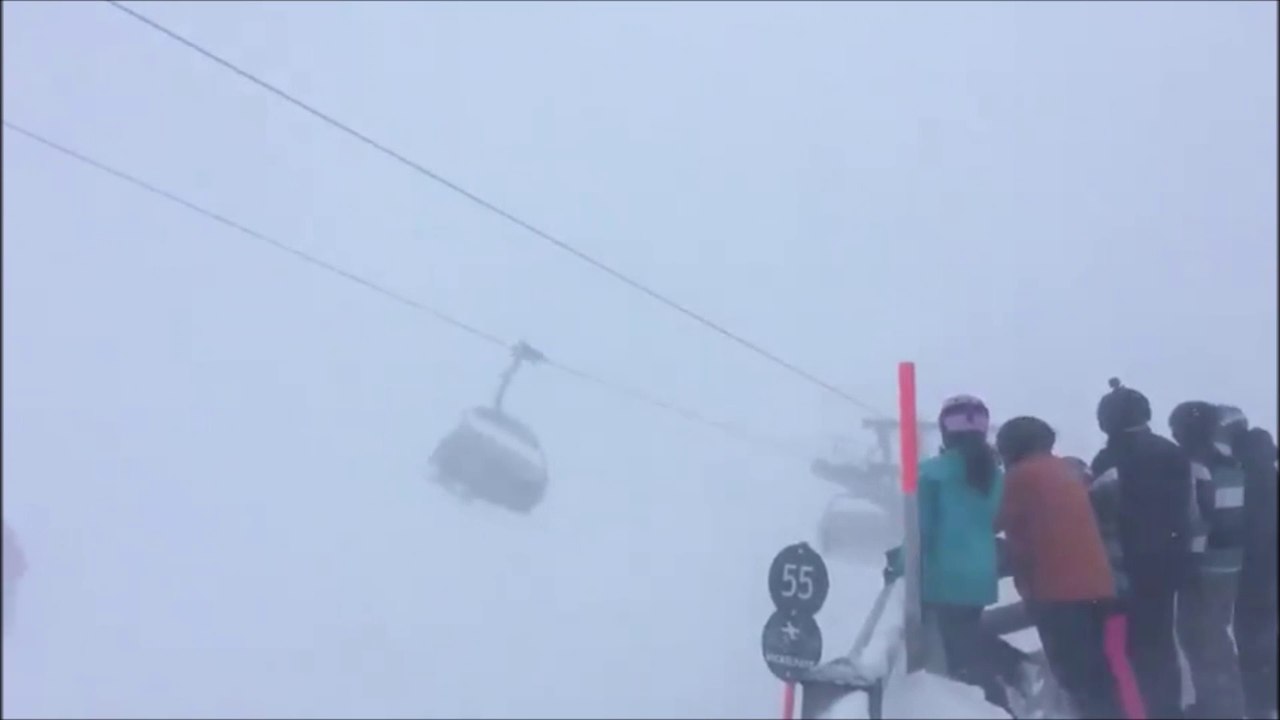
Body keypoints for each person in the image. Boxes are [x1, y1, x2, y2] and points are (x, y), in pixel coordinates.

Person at [995, 417, 1140, 719]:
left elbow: (988, 522)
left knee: (1078, 679)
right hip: (1099, 585)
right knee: (1099, 677)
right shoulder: (1066, 471)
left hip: (1058, 593)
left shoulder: (1021, 477)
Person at [1091, 378, 1193, 719]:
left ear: (1107, 421)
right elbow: (1187, 509)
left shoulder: (1110, 458)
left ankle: (1141, 712)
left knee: (1128, 651)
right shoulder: (1171, 452)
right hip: (1169, 563)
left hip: (1128, 568)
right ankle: (1169, 710)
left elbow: (1099, 510)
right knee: (1161, 645)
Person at [917, 394, 1015, 712]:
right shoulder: (994, 476)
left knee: (963, 661)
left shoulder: (931, 473)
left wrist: (898, 562)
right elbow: (991, 520)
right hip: (981, 575)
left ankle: (998, 706)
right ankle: (1016, 674)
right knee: (968, 641)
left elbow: (921, 530)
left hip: (944, 577)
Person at [1169, 401, 1246, 719]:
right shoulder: (1228, 463)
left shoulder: (1199, 467)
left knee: (1203, 637)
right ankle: (1220, 704)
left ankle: (1220, 709)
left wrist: (1188, 557)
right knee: (1209, 635)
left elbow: (1204, 521)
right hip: (1228, 564)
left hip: (1207, 567)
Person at [1219, 407, 1278, 720]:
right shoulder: (1264, 462)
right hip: (1268, 566)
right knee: (1265, 635)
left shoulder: (1248, 469)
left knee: (1253, 637)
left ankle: (1259, 704)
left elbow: (1254, 524)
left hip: (1254, 569)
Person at [3, 520, 26, 637]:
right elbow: (22, 564)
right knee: (8, 607)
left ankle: (7, 630)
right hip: (10, 580)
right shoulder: (13, 545)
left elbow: (22, 564)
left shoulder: (12, 546)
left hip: (9, 580)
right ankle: (7, 630)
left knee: (7, 606)